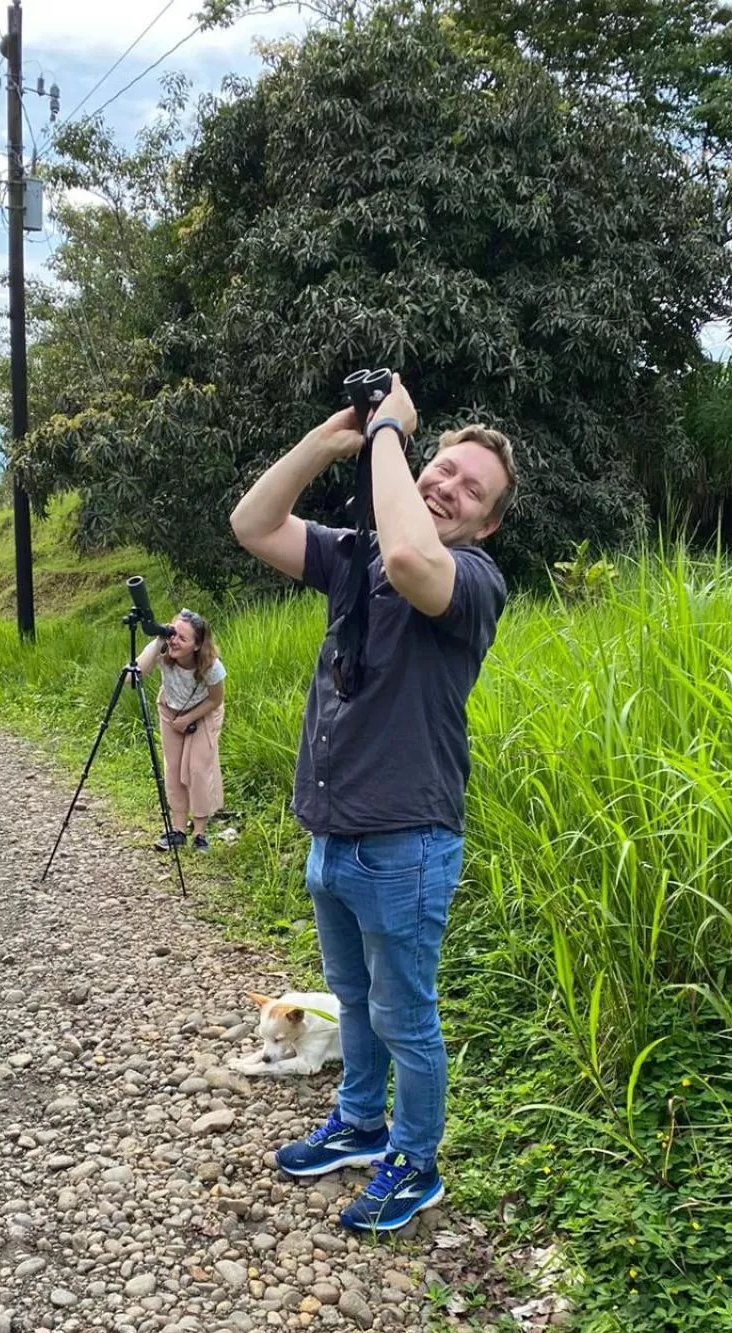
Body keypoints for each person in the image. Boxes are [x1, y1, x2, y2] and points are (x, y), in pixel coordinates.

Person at [230, 373, 517, 1233]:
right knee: (353, 1001)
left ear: (488, 522)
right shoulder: (359, 552)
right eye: (444, 468)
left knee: (405, 1015)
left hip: (407, 844)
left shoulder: (470, 579)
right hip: (335, 834)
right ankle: (359, 1124)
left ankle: (415, 1162)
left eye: (473, 488)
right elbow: (252, 525)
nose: (448, 487)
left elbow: (410, 558)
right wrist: (331, 441)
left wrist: (391, 434)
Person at [137, 608, 226, 852]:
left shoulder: (211, 665)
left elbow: (215, 700)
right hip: (170, 709)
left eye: (182, 638)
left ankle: (199, 833)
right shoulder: (164, 649)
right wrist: (158, 641)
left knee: (197, 768)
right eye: (173, 633)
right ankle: (177, 830)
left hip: (204, 712)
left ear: (197, 646)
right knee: (174, 769)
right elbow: (133, 676)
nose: (174, 640)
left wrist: (188, 719)